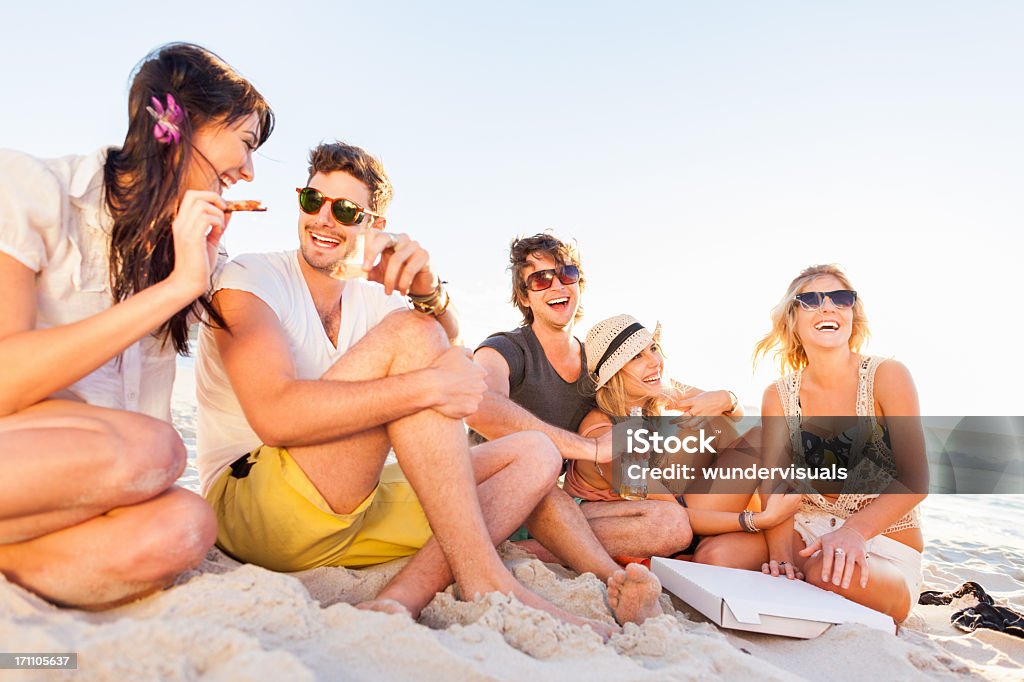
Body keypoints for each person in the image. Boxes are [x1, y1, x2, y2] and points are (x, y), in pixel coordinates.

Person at [196, 143, 662, 631]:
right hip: (255, 507)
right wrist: (428, 384)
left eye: (346, 210)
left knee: (536, 455)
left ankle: (402, 596)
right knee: (414, 334)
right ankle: (484, 576)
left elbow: (447, 346)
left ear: (374, 226)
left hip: (355, 506)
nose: (323, 219)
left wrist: (425, 286)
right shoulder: (253, 275)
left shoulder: (370, 298)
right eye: (313, 201)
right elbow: (275, 417)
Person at [0, 42, 274, 608]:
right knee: (157, 450)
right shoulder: (32, 190)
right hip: (21, 453)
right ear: (176, 124)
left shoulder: (192, 254)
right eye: (245, 144)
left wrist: (407, 285)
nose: (247, 171)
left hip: (77, 493)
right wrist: (174, 290)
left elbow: (271, 305)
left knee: (188, 524)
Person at [468, 236, 746, 559]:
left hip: (551, 498)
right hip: (497, 492)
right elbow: (481, 407)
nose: (557, 286)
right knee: (670, 523)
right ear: (524, 296)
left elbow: (672, 388)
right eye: (541, 279)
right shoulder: (506, 349)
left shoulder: (598, 363)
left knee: (672, 511)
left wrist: (729, 397)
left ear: (579, 284)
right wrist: (592, 449)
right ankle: (524, 551)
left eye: (567, 274)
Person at [695, 264, 927, 623]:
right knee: (714, 556)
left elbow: (916, 479)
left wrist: (853, 532)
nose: (828, 307)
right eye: (811, 300)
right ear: (793, 318)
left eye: (840, 298)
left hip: (882, 546)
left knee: (828, 573)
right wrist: (781, 554)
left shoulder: (887, 376)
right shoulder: (778, 395)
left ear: (852, 313)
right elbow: (776, 483)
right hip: (807, 533)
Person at [567, 314, 800, 542]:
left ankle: (762, 516)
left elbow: (733, 416)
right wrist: (757, 520)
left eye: (653, 348)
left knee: (716, 421)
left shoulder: (654, 390)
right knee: (756, 441)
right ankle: (762, 521)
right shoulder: (603, 436)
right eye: (636, 357)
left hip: (666, 496)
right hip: (653, 523)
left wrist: (728, 398)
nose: (654, 362)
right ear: (614, 374)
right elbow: (674, 516)